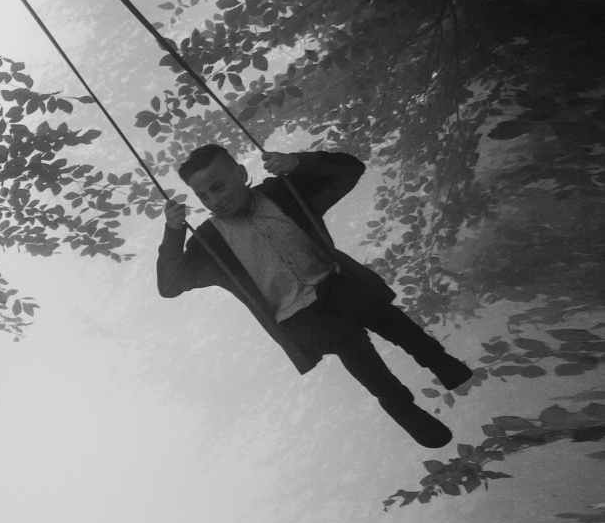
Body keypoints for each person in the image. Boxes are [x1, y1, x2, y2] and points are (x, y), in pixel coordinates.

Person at [159, 145, 475, 447]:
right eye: (203, 196)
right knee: (346, 339)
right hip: (294, 316)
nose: (214, 200)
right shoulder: (210, 243)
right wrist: (174, 232)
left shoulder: (283, 193)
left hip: (329, 281)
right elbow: (170, 285)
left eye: (218, 187)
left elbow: (350, 170)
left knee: (371, 306)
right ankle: (404, 409)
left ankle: (437, 360)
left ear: (240, 174)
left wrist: (299, 162)